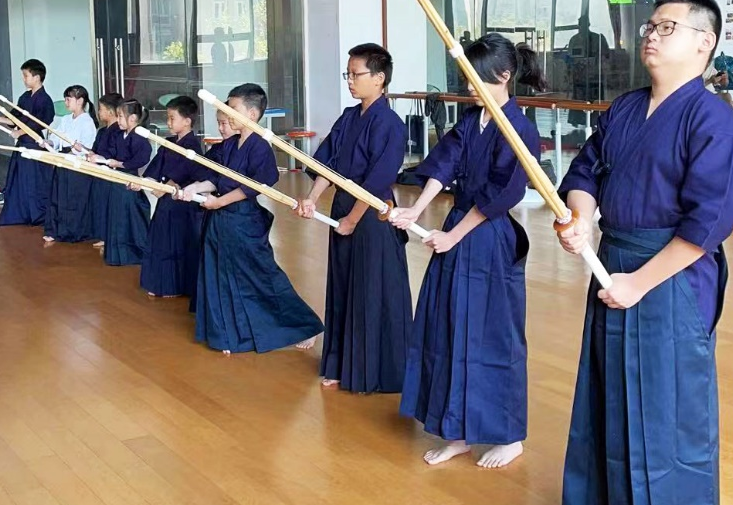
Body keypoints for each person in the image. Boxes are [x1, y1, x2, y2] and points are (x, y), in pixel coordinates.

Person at [557, 0, 733, 505]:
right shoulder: (627, 107)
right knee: (609, 394)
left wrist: (640, 282)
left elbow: (709, 220)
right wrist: (581, 218)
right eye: (650, 27)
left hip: (672, 276)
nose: (651, 36)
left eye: (666, 27)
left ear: (704, 42)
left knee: (667, 410)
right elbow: (585, 170)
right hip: (613, 262)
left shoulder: (713, 118)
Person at [391, 33, 544, 468]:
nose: (469, 86)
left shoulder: (519, 129)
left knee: (491, 337)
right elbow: (444, 166)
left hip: (489, 236)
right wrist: (415, 209)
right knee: (447, 328)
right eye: (467, 78)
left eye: (477, 78)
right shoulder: (471, 121)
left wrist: (454, 237)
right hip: (457, 228)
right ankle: (457, 431)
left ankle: (508, 436)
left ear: (505, 75)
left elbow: (501, 194)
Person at [296, 43, 411, 393]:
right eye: (347, 74)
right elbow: (327, 164)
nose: (349, 80)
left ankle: (374, 372)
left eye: (355, 74)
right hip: (343, 208)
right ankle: (342, 365)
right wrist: (312, 199)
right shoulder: (348, 117)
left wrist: (353, 219)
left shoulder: (391, 124)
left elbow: (378, 180)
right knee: (344, 284)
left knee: (371, 289)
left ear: (379, 78)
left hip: (373, 215)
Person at [180, 83, 323, 355]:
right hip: (220, 220)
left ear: (253, 114)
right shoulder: (229, 145)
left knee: (262, 275)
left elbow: (258, 184)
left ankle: (305, 324)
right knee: (221, 275)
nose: (227, 114)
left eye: (232, 109)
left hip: (243, 221)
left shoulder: (260, 146)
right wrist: (195, 188)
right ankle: (228, 335)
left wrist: (220, 201)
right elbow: (216, 178)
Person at [138, 95, 206, 303]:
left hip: (183, 204)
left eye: (172, 118)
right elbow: (155, 168)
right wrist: (145, 182)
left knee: (177, 243)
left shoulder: (193, 146)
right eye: (167, 118)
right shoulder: (168, 143)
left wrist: (169, 184)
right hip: (166, 201)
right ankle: (160, 282)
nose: (168, 122)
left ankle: (176, 285)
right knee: (161, 240)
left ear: (187, 121)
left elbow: (188, 173)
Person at [0, 58, 55, 226]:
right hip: (23, 144)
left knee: (34, 182)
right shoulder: (24, 97)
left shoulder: (45, 100)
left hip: (35, 144)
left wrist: (20, 131)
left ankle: (38, 215)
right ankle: (21, 214)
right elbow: (14, 118)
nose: (24, 79)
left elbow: (41, 122)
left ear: (37, 77)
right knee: (18, 180)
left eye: (26, 76)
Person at [93, 98, 151, 266]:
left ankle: (133, 253)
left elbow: (142, 158)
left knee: (129, 218)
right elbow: (111, 153)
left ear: (132, 118)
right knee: (116, 216)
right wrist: (101, 158)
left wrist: (120, 164)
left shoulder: (139, 137)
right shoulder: (119, 135)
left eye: (120, 116)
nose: (117, 120)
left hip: (129, 181)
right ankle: (117, 254)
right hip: (117, 180)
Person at [42, 85, 98, 244]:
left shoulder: (87, 122)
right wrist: (48, 142)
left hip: (77, 166)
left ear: (80, 101)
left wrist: (77, 152)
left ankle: (73, 231)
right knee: (58, 197)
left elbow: (88, 147)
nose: (66, 102)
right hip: (63, 161)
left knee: (74, 199)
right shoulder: (66, 119)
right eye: (65, 99)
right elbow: (57, 138)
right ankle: (56, 230)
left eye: (68, 99)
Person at [84, 92, 124, 248]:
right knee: (99, 203)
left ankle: (109, 236)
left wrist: (100, 158)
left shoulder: (119, 131)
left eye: (101, 109)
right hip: (98, 173)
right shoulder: (101, 131)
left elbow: (114, 154)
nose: (99, 112)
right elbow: (95, 150)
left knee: (109, 205)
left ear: (111, 111)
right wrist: (87, 152)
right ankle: (102, 234)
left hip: (110, 174)